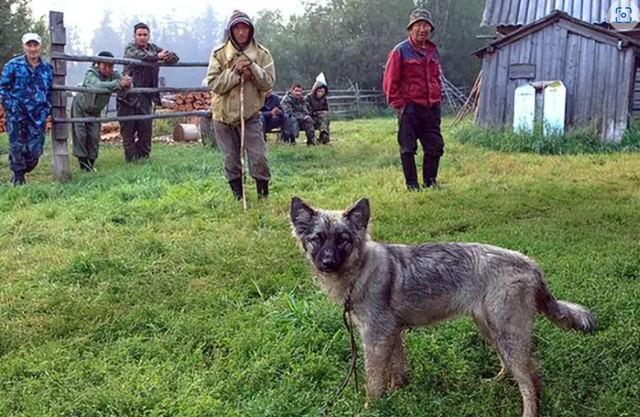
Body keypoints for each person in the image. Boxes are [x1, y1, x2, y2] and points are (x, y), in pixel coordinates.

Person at [206, 10, 275, 200]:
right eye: (237, 28)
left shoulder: (262, 54)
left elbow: (268, 82)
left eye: (245, 27)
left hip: (250, 114)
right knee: (230, 158)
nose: (241, 32)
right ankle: (239, 196)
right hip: (223, 116)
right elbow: (214, 84)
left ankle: (263, 195)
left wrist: (252, 69)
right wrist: (235, 73)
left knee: (258, 156)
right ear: (231, 31)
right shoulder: (219, 54)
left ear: (250, 30)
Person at [383, 9, 444, 191]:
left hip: (431, 107)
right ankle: (412, 185)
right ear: (410, 29)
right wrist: (401, 106)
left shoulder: (433, 51)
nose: (422, 29)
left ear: (430, 29)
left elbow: (436, 78)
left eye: (426, 25)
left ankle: (430, 181)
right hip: (409, 108)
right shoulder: (400, 51)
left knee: (435, 146)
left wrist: (437, 97)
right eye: (418, 25)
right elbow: (389, 82)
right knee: (408, 147)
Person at [117, 22, 179, 162]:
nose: (142, 38)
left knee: (145, 131)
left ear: (149, 36)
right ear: (134, 36)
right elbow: (139, 57)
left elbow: (174, 57)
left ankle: (143, 160)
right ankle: (131, 162)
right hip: (128, 96)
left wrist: (168, 57)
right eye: (139, 35)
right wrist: (158, 57)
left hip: (146, 96)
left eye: (145, 35)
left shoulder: (153, 48)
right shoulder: (130, 48)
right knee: (128, 132)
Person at [0, 33, 53, 186]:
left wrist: (46, 108)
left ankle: (23, 169)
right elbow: (3, 88)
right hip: (17, 113)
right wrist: (10, 106)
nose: (32, 48)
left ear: (40, 47)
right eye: (29, 45)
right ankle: (18, 177)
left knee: (35, 150)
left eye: (35, 45)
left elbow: (50, 91)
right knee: (16, 145)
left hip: (37, 115)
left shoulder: (47, 69)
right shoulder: (13, 65)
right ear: (24, 47)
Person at [71, 51, 132, 172]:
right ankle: (83, 165)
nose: (107, 69)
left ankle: (91, 163)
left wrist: (127, 83)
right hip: (81, 107)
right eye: (104, 65)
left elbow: (124, 84)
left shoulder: (114, 74)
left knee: (94, 136)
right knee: (80, 135)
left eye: (110, 66)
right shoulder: (91, 73)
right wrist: (117, 84)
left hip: (95, 110)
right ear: (98, 64)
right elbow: (97, 85)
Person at [305, 78, 330, 144]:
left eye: (322, 92)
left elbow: (326, 109)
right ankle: (312, 139)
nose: (320, 93)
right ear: (315, 90)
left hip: (320, 119)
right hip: (310, 118)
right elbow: (306, 110)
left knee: (325, 115)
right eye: (319, 91)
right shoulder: (308, 97)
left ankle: (324, 135)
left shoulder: (324, 99)